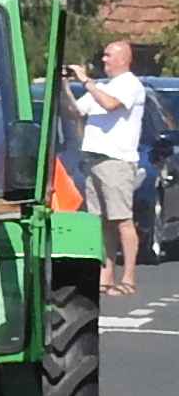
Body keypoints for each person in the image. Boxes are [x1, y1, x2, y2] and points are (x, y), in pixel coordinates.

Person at [65, 38, 147, 297]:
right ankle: (105, 275)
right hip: (95, 160)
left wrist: (86, 80)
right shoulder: (105, 86)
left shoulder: (130, 85)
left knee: (122, 219)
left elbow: (110, 104)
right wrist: (63, 87)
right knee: (100, 222)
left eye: (109, 55)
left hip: (116, 161)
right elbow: (76, 112)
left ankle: (129, 278)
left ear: (124, 58)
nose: (104, 60)